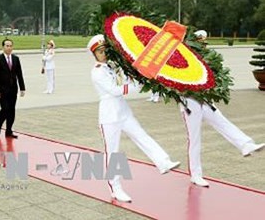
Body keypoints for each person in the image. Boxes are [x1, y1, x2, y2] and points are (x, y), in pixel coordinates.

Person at [88, 34, 180, 203]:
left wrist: (136, 73)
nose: (103, 53)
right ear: (94, 54)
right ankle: (115, 189)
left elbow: (124, 78)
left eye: (105, 50)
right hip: (109, 115)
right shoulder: (97, 72)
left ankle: (163, 161)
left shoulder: (112, 66)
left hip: (123, 111)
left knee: (141, 135)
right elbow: (115, 90)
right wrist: (138, 85)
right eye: (99, 51)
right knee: (113, 152)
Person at [179, 30, 264, 187]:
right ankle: (195, 175)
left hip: (204, 100)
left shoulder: (206, 57)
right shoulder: (184, 57)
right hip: (189, 102)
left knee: (222, 122)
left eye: (205, 42)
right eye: (201, 42)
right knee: (194, 139)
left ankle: (245, 145)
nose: (204, 44)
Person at [0, 38, 26, 139]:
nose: (9, 48)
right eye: (7, 46)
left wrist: (22, 88)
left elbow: (19, 74)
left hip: (13, 89)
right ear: (3, 47)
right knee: (5, 109)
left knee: (11, 110)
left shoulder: (16, 59)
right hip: (3, 90)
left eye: (10, 46)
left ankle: (9, 131)